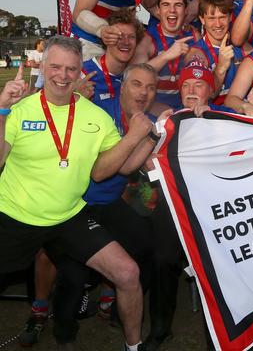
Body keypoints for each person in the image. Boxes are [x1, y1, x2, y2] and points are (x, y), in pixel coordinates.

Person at [0, 35, 153, 351]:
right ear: (43, 66)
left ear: (80, 72)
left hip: (70, 214)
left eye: (71, 69)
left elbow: (104, 171)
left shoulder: (95, 116)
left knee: (127, 272)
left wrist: (141, 137)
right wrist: (2, 110)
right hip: (15, 215)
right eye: (55, 66)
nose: (62, 75)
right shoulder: (20, 108)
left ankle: (133, 347)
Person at [132, 0, 198, 111]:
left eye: (178, 5)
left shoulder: (194, 36)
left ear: (186, 10)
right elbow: (135, 77)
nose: (172, 10)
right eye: (166, 5)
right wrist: (166, 56)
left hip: (186, 111)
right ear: (158, 10)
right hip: (153, 111)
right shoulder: (146, 39)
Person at [187, 0, 252, 104]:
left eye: (222, 17)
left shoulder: (242, 47)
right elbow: (201, 98)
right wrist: (221, 68)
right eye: (211, 18)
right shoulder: (196, 54)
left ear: (230, 17)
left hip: (239, 115)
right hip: (213, 118)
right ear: (202, 19)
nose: (218, 24)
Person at [81, 9, 144, 110]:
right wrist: (73, 99)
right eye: (119, 37)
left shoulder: (132, 76)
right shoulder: (84, 74)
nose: (126, 42)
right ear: (106, 39)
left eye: (131, 37)